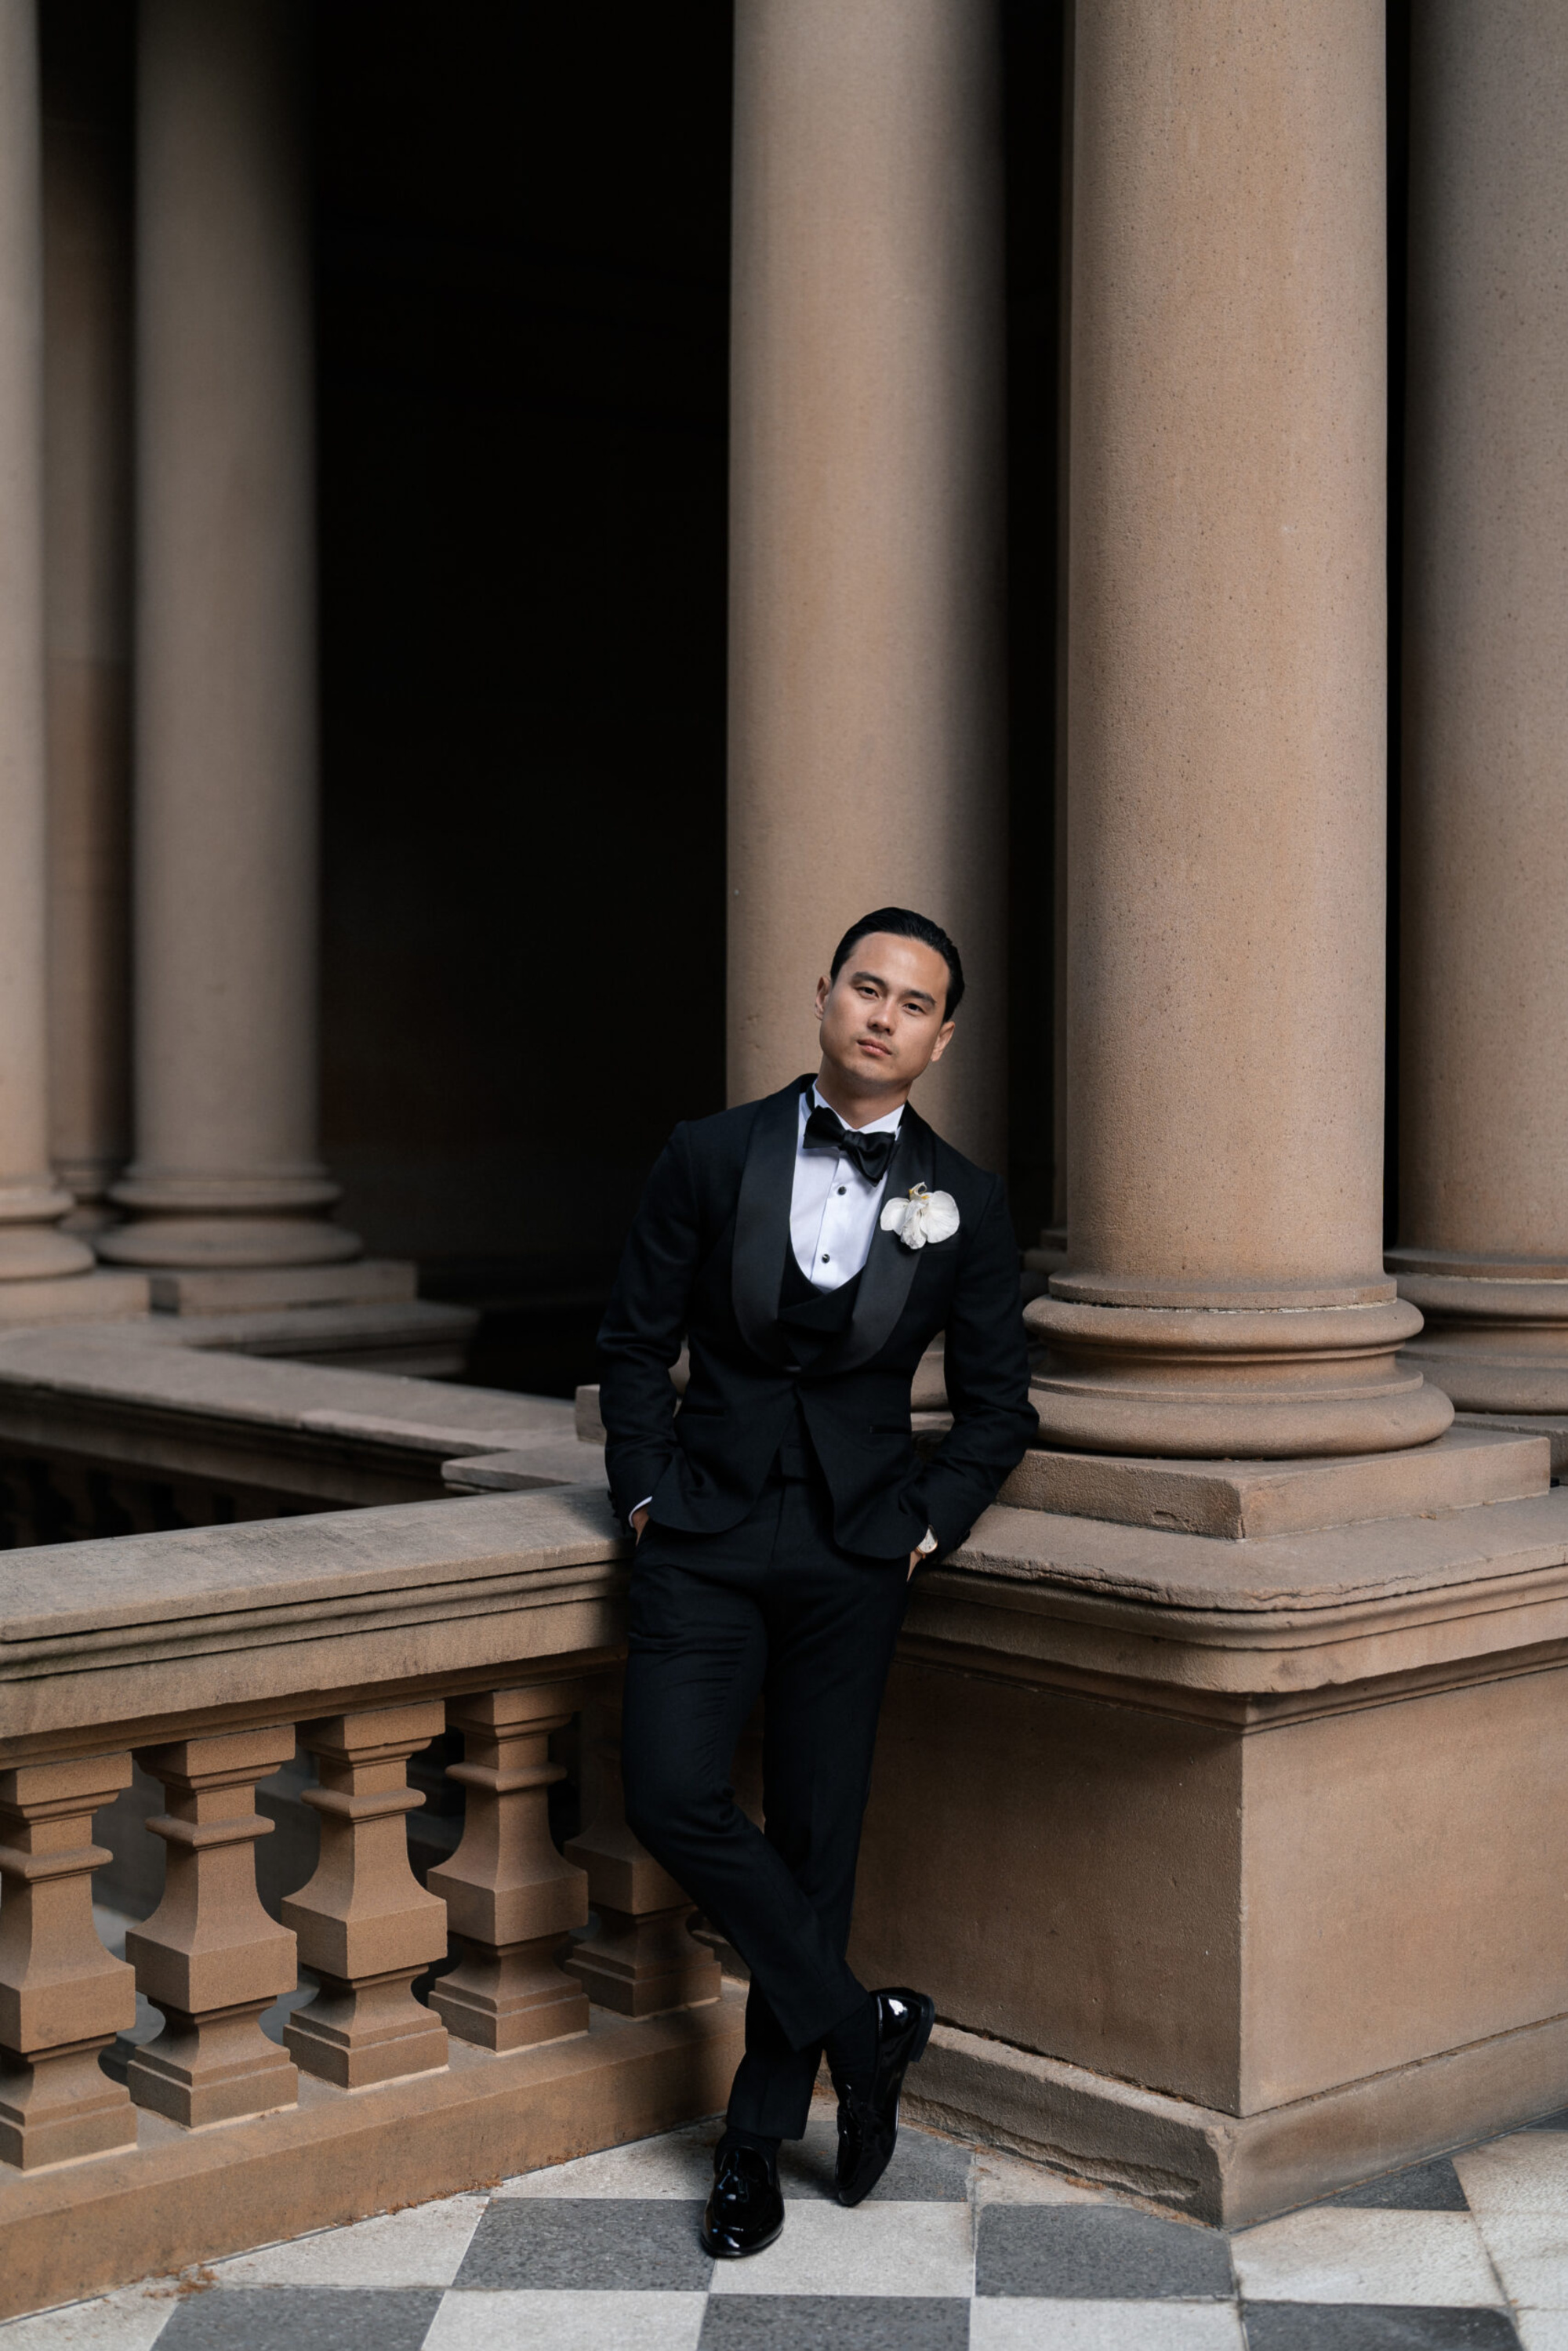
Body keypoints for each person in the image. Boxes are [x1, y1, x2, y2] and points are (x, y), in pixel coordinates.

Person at [597, 907, 1037, 2258]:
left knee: (814, 1842)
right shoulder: (709, 1153)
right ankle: (868, 2030)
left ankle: (751, 2144)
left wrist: (927, 1527)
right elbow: (631, 1341)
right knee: (670, 1791)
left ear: (940, 1037)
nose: (881, 1016)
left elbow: (999, 1407)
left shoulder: (961, 1198)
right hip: (706, 1535)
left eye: (913, 1003)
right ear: (826, 997)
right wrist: (645, 1490)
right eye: (865, 987)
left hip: (857, 1553)